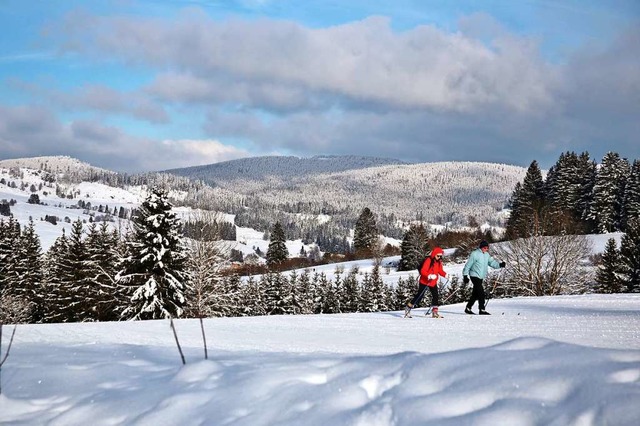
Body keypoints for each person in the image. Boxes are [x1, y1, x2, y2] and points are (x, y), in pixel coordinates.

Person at [462, 240, 505, 315]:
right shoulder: (475, 254)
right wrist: (465, 275)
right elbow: (468, 265)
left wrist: (500, 265)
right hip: (474, 275)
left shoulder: (487, 255)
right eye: (485, 247)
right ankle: (482, 309)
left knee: (475, 294)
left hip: (481, 276)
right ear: (481, 247)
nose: (486, 249)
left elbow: (492, 263)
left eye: (487, 248)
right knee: (481, 292)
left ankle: (468, 308)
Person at [404, 247, 448, 318]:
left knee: (435, 296)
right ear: (434, 254)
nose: (439, 257)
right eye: (438, 256)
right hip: (424, 281)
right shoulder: (428, 260)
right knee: (419, 296)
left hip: (433, 282)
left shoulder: (439, 262)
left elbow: (440, 271)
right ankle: (408, 308)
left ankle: (435, 312)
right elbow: (423, 271)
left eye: (440, 256)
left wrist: (446, 275)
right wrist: (429, 275)